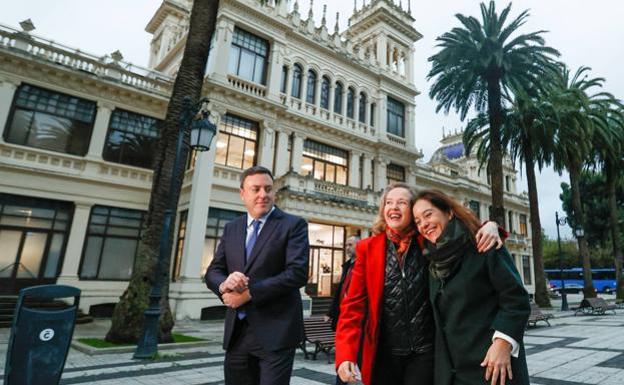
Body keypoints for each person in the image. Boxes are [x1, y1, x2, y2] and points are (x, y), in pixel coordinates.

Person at [335, 183, 503, 385]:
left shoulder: (430, 240)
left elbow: (458, 231)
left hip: (426, 354)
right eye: (388, 203)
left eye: (401, 202)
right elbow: (352, 308)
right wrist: (345, 354)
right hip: (383, 355)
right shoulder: (367, 248)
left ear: (413, 209)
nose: (393, 207)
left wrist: (490, 226)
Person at [412, 189, 530, 385]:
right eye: (417, 221)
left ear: (449, 213)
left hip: (493, 368)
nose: (424, 224)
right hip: (454, 374)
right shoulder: (432, 261)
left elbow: (516, 299)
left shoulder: (483, 244)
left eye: (428, 214)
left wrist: (504, 342)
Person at [205, 166, 309, 385]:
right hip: (238, 334)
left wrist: (248, 294)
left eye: (268, 189)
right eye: (256, 189)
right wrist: (224, 284)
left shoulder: (293, 225)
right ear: (242, 193)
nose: (263, 194)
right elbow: (213, 271)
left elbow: (297, 273)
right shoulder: (232, 228)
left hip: (276, 332)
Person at [324, 235, 360, 385]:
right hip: (343, 317)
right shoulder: (347, 266)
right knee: (343, 354)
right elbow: (340, 291)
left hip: (357, 318)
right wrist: (330, 312)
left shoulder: (363, 265)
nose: (347, 248)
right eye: (346, 245)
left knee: (357, 356)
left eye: (350, 245)